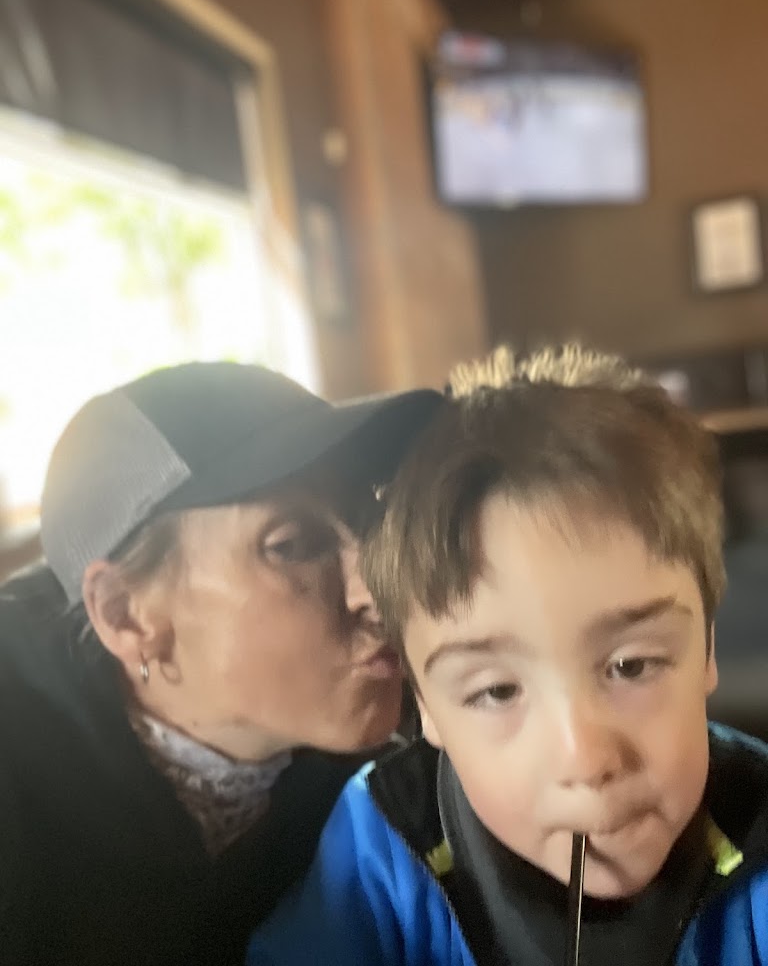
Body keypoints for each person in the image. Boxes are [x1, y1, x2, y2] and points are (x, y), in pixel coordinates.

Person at [249, 344, 768, 966]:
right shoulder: (384, 844)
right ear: (426, 707)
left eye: (631, 666)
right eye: (497, 691)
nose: (585, 760)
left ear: (707, 647)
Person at [0, 359, 441, 966]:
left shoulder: (410, 726)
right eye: (291, 545)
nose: (378, 586)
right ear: (128, 615)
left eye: (370, 519)